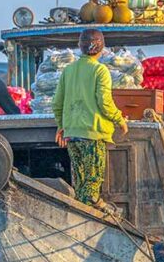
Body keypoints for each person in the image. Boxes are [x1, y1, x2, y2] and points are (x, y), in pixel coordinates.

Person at [52, 29, 129, 208]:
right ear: (102, 48)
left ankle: (81, 212)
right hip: (92, 136)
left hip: (72, 137)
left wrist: (62, 126)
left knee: (80, 184)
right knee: (93, 181)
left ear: (80, 46)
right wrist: (120, 120)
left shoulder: (68, 70)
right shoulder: (100, 71)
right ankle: (86, 214)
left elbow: (57, 103)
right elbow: (104, 102)